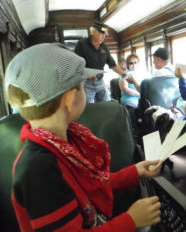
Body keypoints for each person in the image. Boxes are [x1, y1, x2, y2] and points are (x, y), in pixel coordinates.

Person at [5, 43, 161, 231]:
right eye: (82, 85)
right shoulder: (38, 169)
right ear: (71, 98)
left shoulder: (63, 142)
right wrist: (130, 220)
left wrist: (134, 172)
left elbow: (91, 186)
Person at [75, 21, 127, 103]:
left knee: (106, 104)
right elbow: (77, 64)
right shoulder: (82, 44)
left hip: (100, 81)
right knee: (86, 106)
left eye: (104, 35)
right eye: (101, 34)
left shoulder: (104, 47)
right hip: (86, 82)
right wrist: (89, 75)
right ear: (93, 32)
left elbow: (112, 64)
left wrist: (122, 73)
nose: (103, 37)